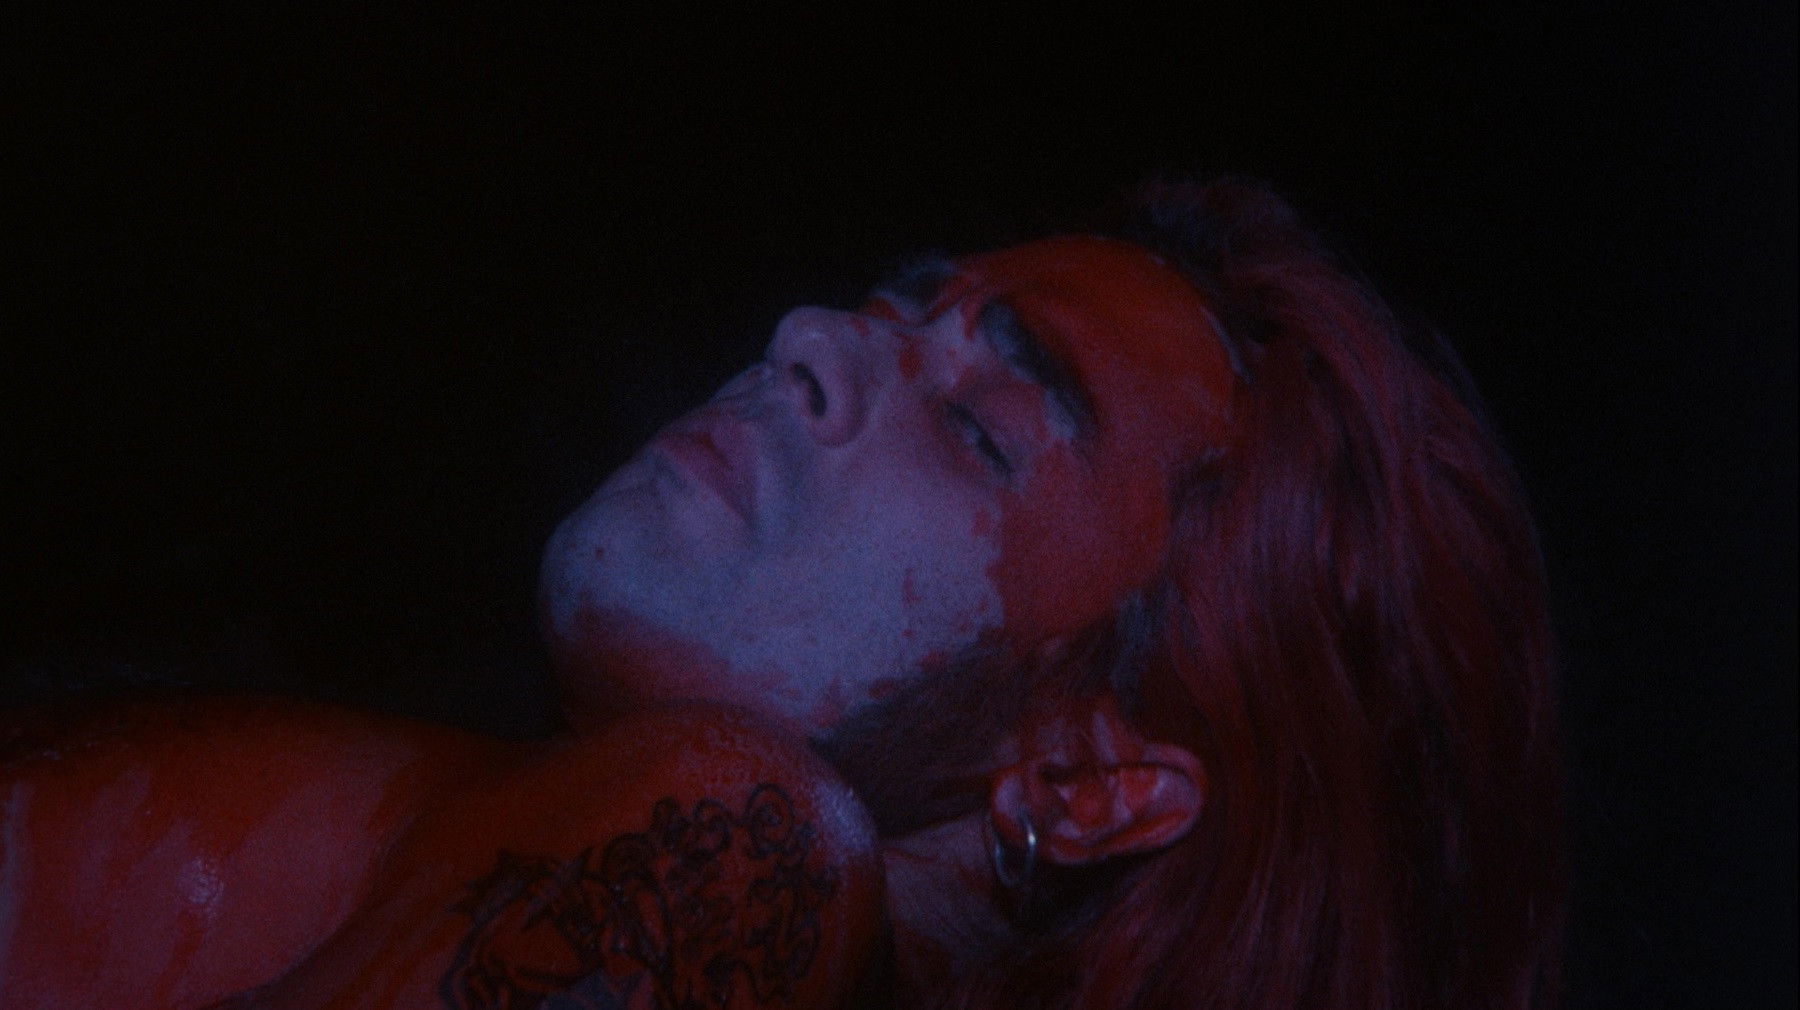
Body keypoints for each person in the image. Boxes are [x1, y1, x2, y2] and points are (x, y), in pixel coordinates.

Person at [0, 179, 1564, 1009]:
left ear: (1083, 777)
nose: (811, 334)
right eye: (894, 306)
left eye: (980, 425)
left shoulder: (748, 845)